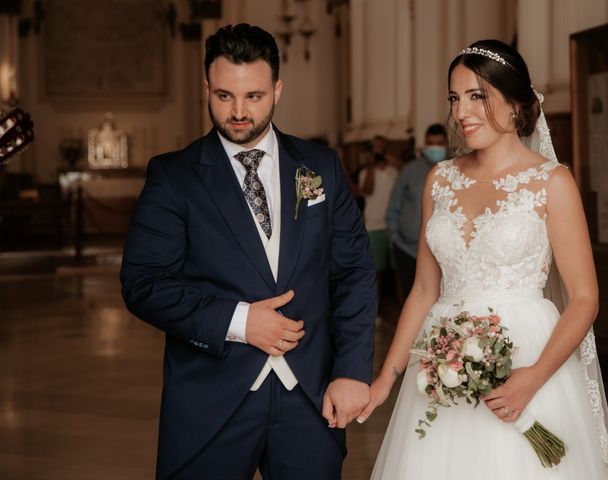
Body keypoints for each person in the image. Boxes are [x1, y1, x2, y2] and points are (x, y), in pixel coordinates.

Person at [120, 23, 377, 480]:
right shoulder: (173, 177)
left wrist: (354, 371)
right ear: (207, 87)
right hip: (210, 402)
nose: (238, 112)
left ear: (277, 88)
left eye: (254, 97)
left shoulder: (321, 167)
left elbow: (353, 272)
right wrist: (239, 321)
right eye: (223, 96)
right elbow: (144, 284)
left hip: (310, 398)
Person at [358, 39, 608, 479]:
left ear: (516, 103)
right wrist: (387, 377)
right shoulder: (438, 180)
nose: (461, 112)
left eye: (477, 96)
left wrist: (535, 376)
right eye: (455, 98)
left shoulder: (551, 183)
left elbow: (584, 298)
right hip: (441, 365)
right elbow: (424, 291)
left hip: (530, 355)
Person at [386, 123, 448, 302]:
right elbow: (394, 205)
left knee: (437, 302)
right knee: (410, 299)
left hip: (440, 252)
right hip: (407, 249)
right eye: (431, 143)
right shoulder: (410, 170)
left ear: (446, 144)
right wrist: (394, 239)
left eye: (439, 143)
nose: (435, 147)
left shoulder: (454, 168)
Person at [359, 135, 398, 293]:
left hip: (393, 226)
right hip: (374, 226)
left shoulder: (393, 170)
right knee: (376, 272)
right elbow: (368, 190)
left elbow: (405, 167)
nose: (377, 151)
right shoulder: (365, 172)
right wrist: (371, 165)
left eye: (380, 147)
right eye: (374, 148)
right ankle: (377, 312)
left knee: (398, 271)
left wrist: (385, 157)